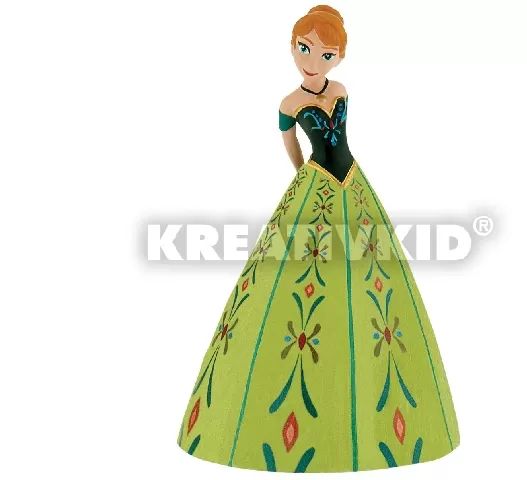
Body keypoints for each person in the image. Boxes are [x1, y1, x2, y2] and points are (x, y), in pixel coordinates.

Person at [177, 5, 459, 472]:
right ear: (292, 48)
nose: (313, 61)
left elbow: (341, 137)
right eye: (305, 49)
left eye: (326, 54)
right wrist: (302, 176)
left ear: (339, 57)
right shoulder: (289, 104)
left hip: (352, 181)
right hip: (316, 183)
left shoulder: (342, 91)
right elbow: (290, 143)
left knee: (373, 283)